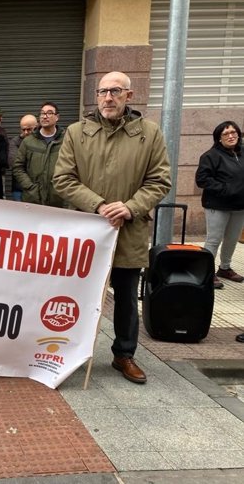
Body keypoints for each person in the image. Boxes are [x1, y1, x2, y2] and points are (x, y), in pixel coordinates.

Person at [53, 71, 171, 385]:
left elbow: (160, 181)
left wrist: (130, 207)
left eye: (115, 91)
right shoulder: (77, 132)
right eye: (103, 91)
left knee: (127, 298)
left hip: (128, 232)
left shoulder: (149, 133)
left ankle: (124, 355)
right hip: (87, 232)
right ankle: (69, 351)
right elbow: (63, 178)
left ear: (129, 96)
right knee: (76, 295)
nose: (108, 97)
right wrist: (99, 204)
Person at [195, 121, 244, 290]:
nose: (231, 136)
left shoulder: (242, 153)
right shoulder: (210, 156)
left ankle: (225, 268)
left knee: (232, 240)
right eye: (226, 134)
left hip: (239, 206)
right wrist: (225, 189)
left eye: (234, 132)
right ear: (219, 138)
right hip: (218, 205)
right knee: (214, 240)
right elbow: (202, 180)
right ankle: (206, 272)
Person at [12, 102, 66, 207]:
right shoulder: (28, 141)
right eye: (42, 113)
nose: (45, 116)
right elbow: (17, 167)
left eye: (49, 113)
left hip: (58, 200)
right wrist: (30, 187)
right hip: (32, 200)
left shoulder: (66, 140)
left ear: (57, 117)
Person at [8, 114, 38, 201]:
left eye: (29, 129)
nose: (25, 132)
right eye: (23, 129)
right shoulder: (15, 142)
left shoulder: (42, 142)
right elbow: (14, 163)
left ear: (36, 127)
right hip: (19, 189)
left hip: (38, 188)